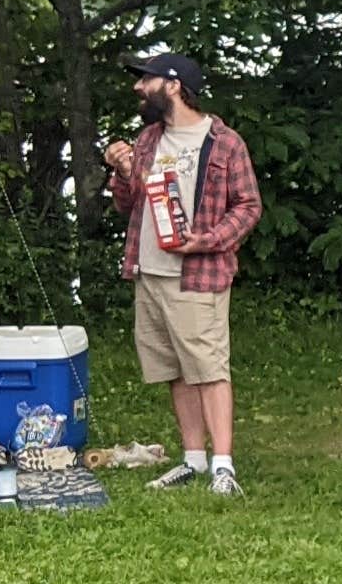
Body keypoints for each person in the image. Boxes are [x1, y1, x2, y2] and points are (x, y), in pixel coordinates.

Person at [100, 51, 260, 494]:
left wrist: (204, 241)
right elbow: (129, 203)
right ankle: (192, 459)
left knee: (208, 368)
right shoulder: (148, 139)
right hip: (149, 270)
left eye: (145, 79)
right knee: (174, 368)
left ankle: (223, 467)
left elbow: (249, 207)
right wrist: (120, 170)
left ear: (172, 85)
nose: (137, 87)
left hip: (197, 276)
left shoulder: (224, 142)